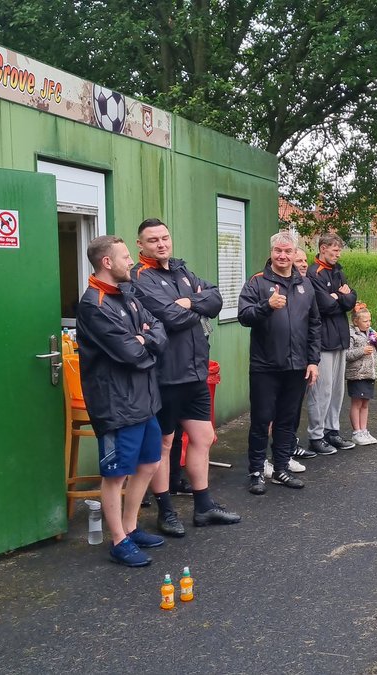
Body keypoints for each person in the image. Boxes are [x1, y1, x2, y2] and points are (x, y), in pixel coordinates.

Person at [130, 219, 240, 536]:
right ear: (141, 245)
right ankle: (165, 511)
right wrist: (196, 308)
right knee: (164, 444)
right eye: (153, 240)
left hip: (196, 373)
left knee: (203, 438)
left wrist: (191, 301)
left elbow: (216, 299)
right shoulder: (140, 278)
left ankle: (204, 507)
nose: (161, 244)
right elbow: (171, 317)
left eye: (165, 237)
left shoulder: (183, 272)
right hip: (166, 376)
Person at [76, 235, 169, 566]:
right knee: (115, 474)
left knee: (150, 464)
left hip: (145, 400)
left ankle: (130, 527)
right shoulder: (93, 305)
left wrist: (144, 338)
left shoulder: (127, 295)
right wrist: (143, 342)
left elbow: (159, 330)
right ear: (107, 262)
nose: (131, 261)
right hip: (116, 406)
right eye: (126, 256)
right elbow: (131, 354)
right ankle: (118, 540)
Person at [238, 232, 321, 494]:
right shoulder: (258, 282)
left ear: (295, 253)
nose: (282, 256)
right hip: (265, 366)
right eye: (278, 251)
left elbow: (314, 325)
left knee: (288, 420)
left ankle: (281, 468)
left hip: (297, 367)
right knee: (262, 419)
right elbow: (244, 316)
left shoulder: (306, 285)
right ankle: (256, 472)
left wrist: (313, 361)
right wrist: (266, 305)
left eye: (287, 252)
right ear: (271, 252)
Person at [305, 233, 358, 455]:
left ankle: (332, 431)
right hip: (323, 340)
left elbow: (352, 298)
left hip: (340, 338)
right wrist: (338, 297)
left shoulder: (338, 271)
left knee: (337, 390)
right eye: (335, 250)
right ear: (323, 248)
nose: (338, 254)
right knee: (322, 390)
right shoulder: (313, 273)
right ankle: (316, 435)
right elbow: (323, 305)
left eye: (339, 251)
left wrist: (340, 297)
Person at [344, 303, 377, 444]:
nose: (368, 324)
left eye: (370, 321)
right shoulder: (351, 335)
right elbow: (346, 355)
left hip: (370, 374)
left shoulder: (371, 333)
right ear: (356, 321)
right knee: (357, 403)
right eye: (365, 321)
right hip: (356, 374)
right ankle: (356, 431)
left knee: (365, 403)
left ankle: (364, 430)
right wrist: (362, 351)